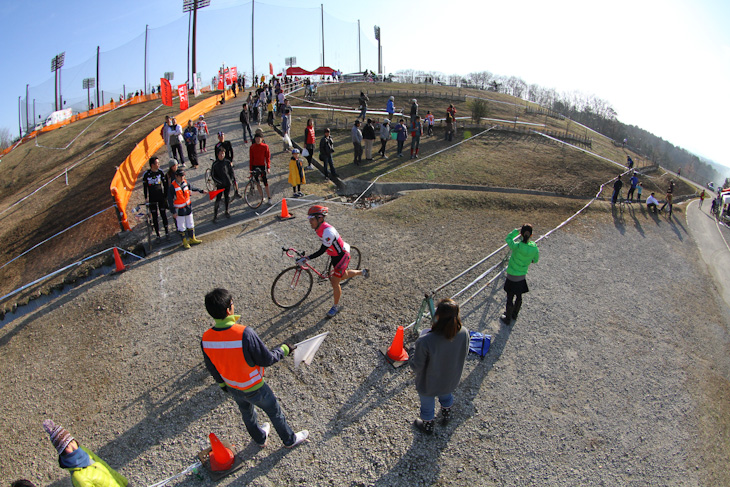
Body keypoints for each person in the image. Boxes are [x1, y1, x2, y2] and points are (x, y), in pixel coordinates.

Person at [201, 288, 309, 449]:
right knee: (275, 413)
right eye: (232, 303)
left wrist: (223, 385)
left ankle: (259, 439)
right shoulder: (244, 333)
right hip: (255, 387)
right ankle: (289, 440)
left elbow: (211, 365)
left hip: (233, 387)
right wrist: (284, 349)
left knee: (247, 414)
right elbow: (266, 359)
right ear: (228, 310)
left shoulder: (206, 338)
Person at [410, 298, 469, 434]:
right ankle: (446, 414)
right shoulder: (464, 332)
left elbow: (416, 366)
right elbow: (463, 353)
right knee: (446, 396)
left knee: (427, 405)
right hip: (450, 379)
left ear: (437, 317)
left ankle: (428, 426)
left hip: (428, 383)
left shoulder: (425, 341)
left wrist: (413, 349)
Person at [298, 205, 369, 318]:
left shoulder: (328, 232)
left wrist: (307, 258)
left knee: (335, 282)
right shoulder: (318, 228)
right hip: (334, 254)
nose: (310, 222)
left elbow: (321, 250)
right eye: (309, 219)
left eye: (312, 219)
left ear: (320, 218)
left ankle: (336, 307)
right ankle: (362, 272)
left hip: (342, 255)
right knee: (342, 275)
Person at [43, 419, 128, 487]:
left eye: (72, 442)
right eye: (67, 446)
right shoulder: (79, 478)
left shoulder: (84, 451)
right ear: (62, 452)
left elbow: (107, 468)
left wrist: (125, 483)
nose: (73, 447)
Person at [501, 224, 539, 325]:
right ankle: (514, 314)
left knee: (510, 297)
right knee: (519, 296)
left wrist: (515, 231)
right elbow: (535, 260)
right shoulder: (534, 248)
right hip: (521, 276)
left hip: (511, 275)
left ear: (521, 234)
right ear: (531, 235)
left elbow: (508, 238)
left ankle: (507, 318)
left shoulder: (517, 246)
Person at [167, 168, 205, 249]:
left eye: (183, 176)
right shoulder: (172, 187)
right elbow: (170, 200)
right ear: (176, 176)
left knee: (190, 223)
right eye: (180, 176)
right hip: (179, 209)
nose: (182, 178)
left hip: (188, 207)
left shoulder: (185, 182)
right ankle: (184, 241)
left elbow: (192, 188)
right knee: (181, 226)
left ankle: (192, 238)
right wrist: (173, 211)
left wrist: (201, 191)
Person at [142, 157, 170, 239]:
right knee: (155, 216)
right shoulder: (146, 174)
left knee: (163, 214)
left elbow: (165, 185)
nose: (159, 164)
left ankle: (167, 232)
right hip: (152, 198)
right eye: (157, 163)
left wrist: (165, 196)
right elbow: (145, 187)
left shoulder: (160, 172)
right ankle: (158, 234)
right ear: (152, 165)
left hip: (160, 197)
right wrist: (146, 198)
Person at [211, 147, 237, 222]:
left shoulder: (227, 162)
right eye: (221, 154)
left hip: (227, 184)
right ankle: (215, 215)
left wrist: (231, 180)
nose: (222, 155)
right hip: (220, 185)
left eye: (223, 153)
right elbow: (213, 175)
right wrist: (218, 182)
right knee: (218, 200)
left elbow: (231, 172)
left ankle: (227, 211)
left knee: (227, 198)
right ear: (218, 154)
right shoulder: (215, 164)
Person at [250, 132, 273, 204]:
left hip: (262, 166)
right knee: (257, 183)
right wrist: (250, 170)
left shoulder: (265, 147)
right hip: (255, 166)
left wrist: (268, 167)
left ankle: (269, 197)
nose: (257, 140)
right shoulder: (252, 147)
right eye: (256, 138)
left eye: (259, 138)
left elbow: (267, 158)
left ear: (262, 139)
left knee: (265, 182)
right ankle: (262, 197)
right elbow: (251, 159)